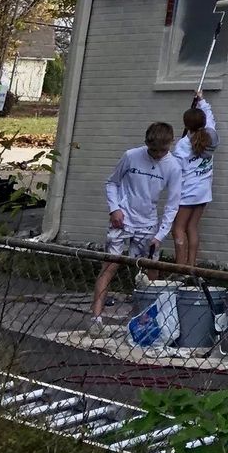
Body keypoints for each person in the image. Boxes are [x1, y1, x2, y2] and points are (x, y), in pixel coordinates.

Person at [91, 121, 182, 330]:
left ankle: (145, 319)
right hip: (123, 219)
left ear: (170, 145)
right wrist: (114, 208)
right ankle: (96, 318)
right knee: (110, 265)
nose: (157, 154)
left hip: (148, 223)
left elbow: (172, 205)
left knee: (151, 270)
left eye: (162, 150)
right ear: (146, 143)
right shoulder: (131, 156)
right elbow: (112, 182)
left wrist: (160, 235)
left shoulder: (174, 167)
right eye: (153, 150)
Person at [170, 91, 218, 268]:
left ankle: (180, 268)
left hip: (187, 192)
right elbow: (210, 118)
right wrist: (202, 100)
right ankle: (191, 266)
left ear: (186, 125)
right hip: (204, 191)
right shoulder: (211, 135)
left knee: (178, 229)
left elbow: (176, 173)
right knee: (192, 228)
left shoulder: (182, 146)